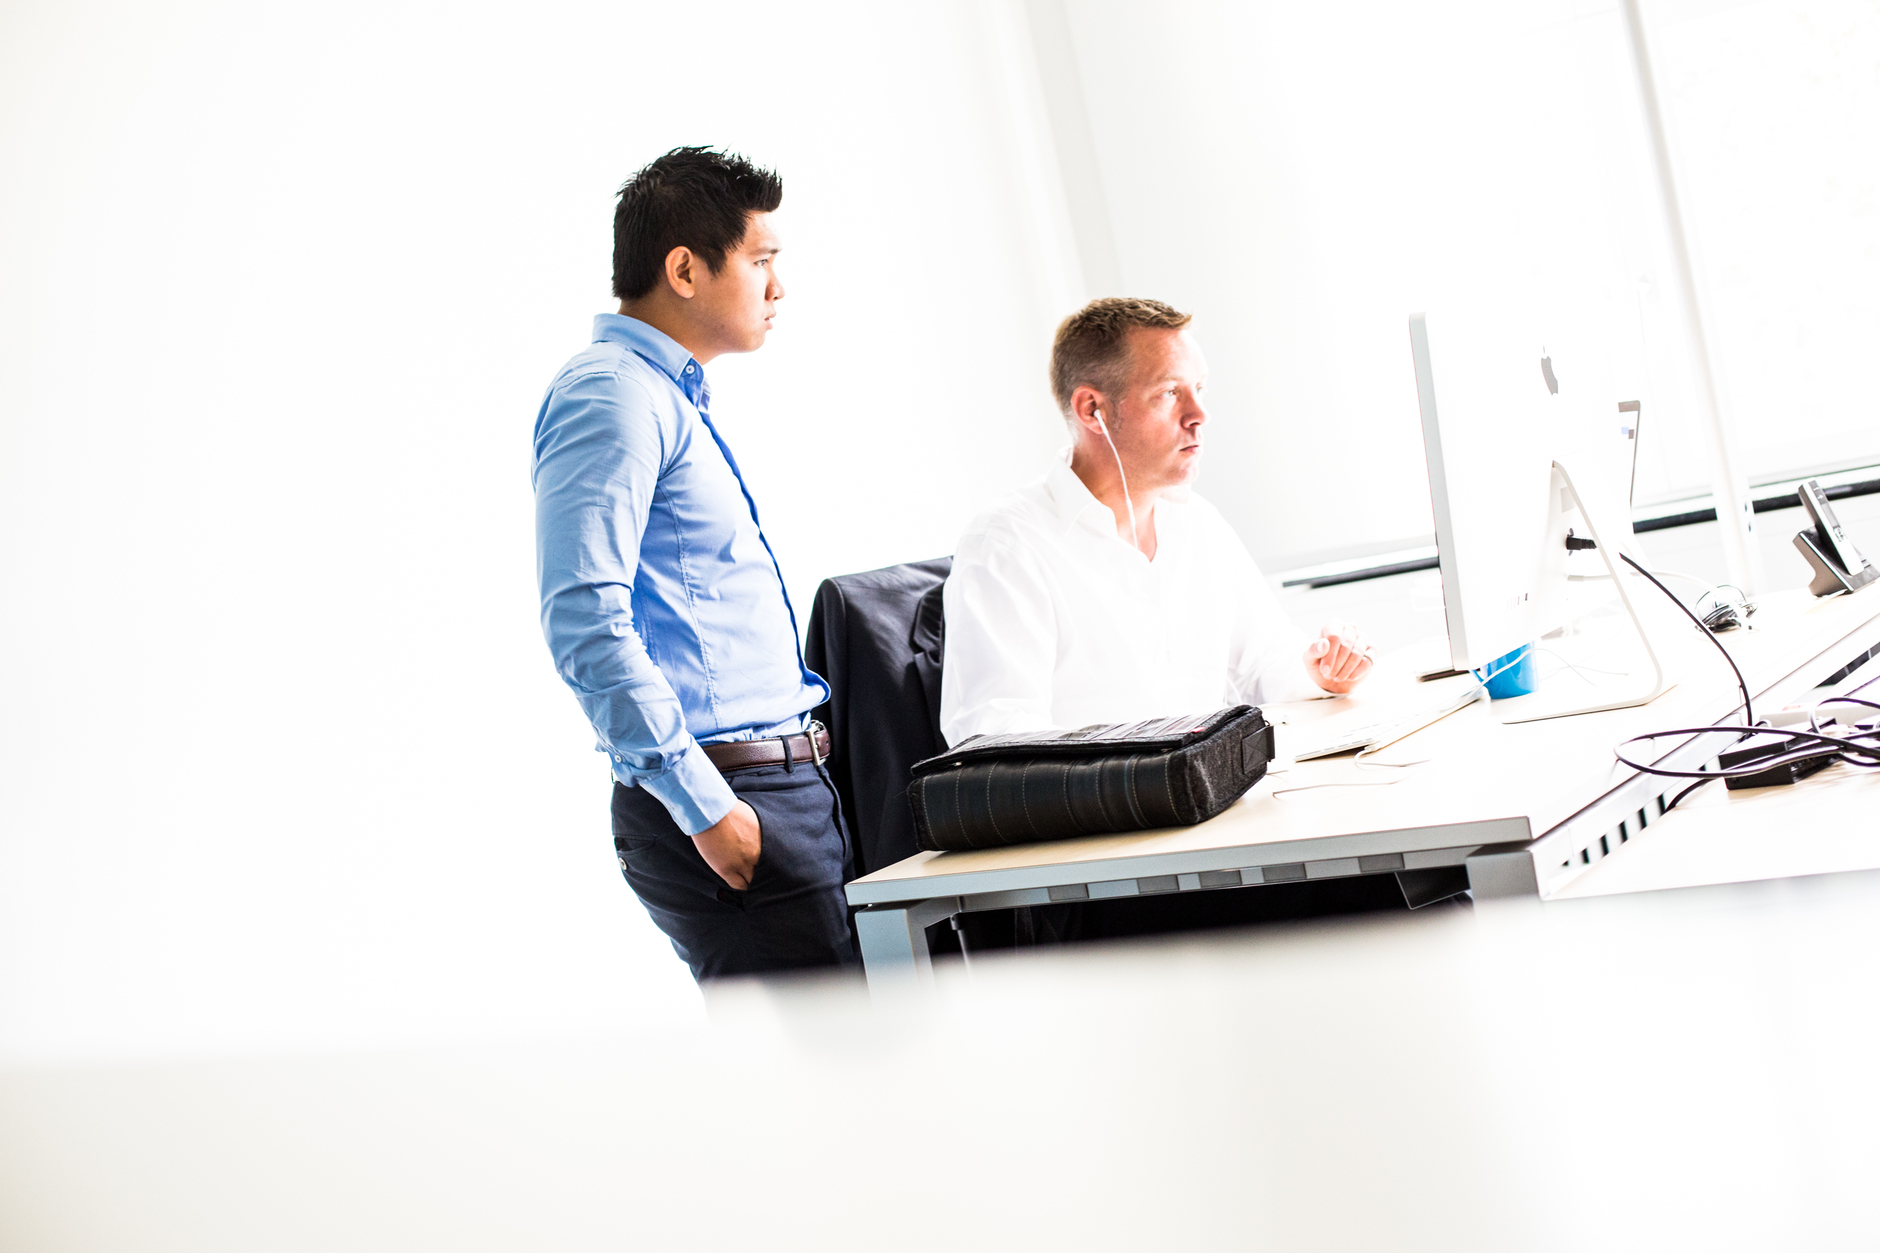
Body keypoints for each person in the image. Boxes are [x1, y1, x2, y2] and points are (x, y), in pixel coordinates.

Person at [532, 147, 854, 982]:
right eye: (761, 261)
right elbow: (584, 619)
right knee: (826, 1057)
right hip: (730, 799)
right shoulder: (613, 394)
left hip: (774, 789)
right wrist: (707, 809)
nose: (778, 288)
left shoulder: (665, 394)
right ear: (684, 269)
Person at [940, 297, 1375, 747]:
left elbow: (1263, 664)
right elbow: (997, 738)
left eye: (1199, 389)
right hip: (1106, 793)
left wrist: (1321, 671)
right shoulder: (1007, 545)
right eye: (1170, 393)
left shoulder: (1197, 523)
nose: (1199, 415)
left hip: (1210, 782)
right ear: (1092, 410)